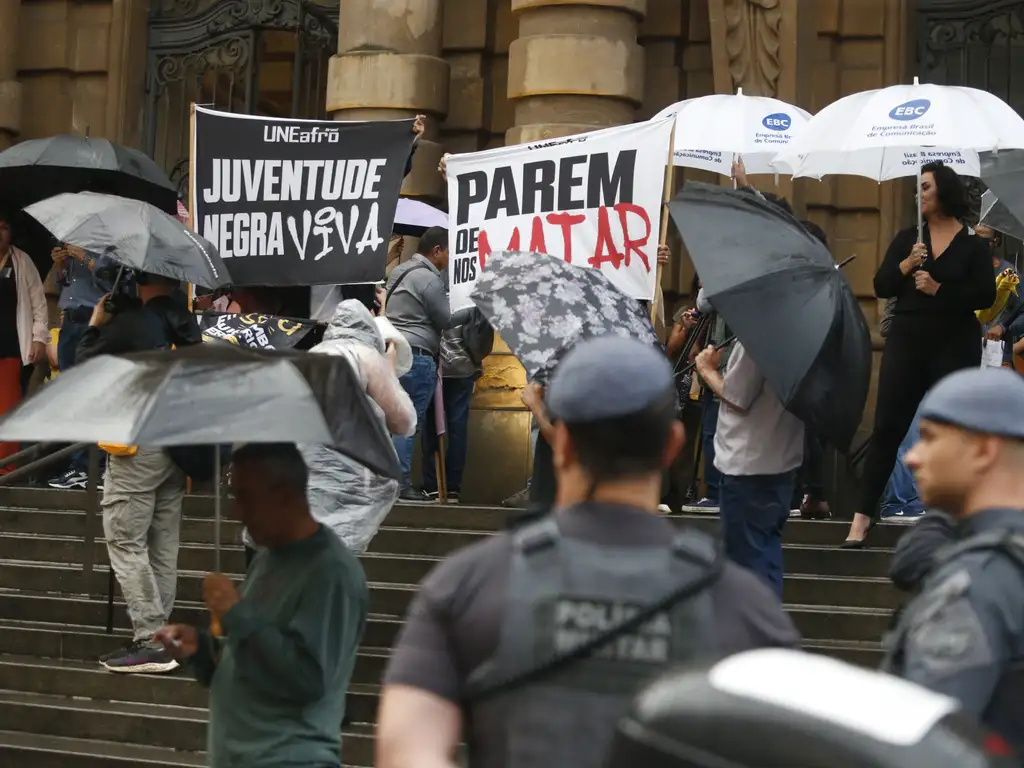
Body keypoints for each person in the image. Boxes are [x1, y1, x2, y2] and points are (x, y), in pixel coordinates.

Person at [376, 336, 800, 768]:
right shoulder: (745, 607)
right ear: (672, 445)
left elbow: (405, 750)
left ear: (563, 446)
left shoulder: (468, 584)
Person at [155, 443, 369, 768]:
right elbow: (250, 658)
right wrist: (201, 649)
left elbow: (307, 678)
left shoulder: (332, 574)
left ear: (284, 496)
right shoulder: (267, 557)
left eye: (246, 497)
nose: (236, 512)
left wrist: (236, 613)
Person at [843, 162, 995, 547]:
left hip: (954, 344)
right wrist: (907, 264)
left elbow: (985, 296)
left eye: (925, 187)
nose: (919, 194)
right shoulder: (909, 238)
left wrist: (938, 290)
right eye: (917, 187)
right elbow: (880, 285)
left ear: (942, 191)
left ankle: (957, 516)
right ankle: (862, 518)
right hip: (908, 342)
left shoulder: (973, 244)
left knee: (955, 431)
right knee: (887, 429)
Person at [883, 367, 1024, 752]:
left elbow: (926, 750)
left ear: (982, 450)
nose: (912, 457)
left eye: (929, 438)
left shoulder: (976, 584)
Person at [78, 272, 202, 673]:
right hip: (178, 447)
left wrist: (97, 323)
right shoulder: (189, 326)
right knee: (163, 545)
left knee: (126, 539)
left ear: (140, 280)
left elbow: (80, 365)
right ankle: (162, 640)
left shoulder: (133, 323)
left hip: (138, 443)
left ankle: (150, 638)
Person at [243, 300, 416, 566]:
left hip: (299, 471)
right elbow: (403, 421)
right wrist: (389, 368)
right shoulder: (366, 356)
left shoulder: (310, 355)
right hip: (346, 476)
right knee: (330, 553)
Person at [695, 335, 804, 598]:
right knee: (764, 554)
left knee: (746, 561)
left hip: (748, 464)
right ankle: (764, 628)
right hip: (780, 458)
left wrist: (707, 370)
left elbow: (737, 397)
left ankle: (756, 631)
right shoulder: (798, 339)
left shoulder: (757, 341)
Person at [385, 226, 470, 500]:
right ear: (437, 251)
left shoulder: (399, 272)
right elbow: (446, 319)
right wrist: (473, 308)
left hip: (393, 354)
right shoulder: (429, 280)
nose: (450, 258)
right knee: (408, 423)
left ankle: (389, 482)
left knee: (392, 420)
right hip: (418, 357)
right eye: (449, 252)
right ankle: (401, 484)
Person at [48, 243, 113, 489]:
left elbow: (113, 280)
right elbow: (63, 285)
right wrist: (60, 264)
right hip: (70, 323)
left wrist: (82, 255)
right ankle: (78, 466)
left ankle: (96, 465)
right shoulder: (71, 245)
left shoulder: (108, 243)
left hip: (94, 320)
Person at [422, 307, 493, 504]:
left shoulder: (430, 287)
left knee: (430, 426)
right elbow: (484, 335)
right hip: (463, 367)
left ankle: (432, 486)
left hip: (435, 366)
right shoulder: (470, 291)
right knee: (457, 427)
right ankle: (452, 488)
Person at [0, 214, 47, 474]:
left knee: (7, 407)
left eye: (4, 227)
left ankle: (5, 470)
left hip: (10, 347)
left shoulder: (21, 261)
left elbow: (39, 304)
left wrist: (39, 337)